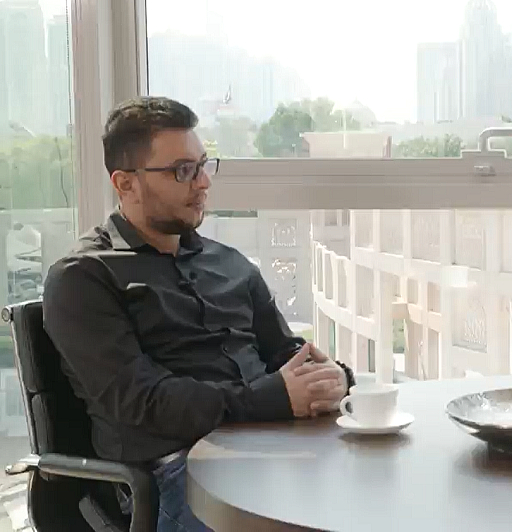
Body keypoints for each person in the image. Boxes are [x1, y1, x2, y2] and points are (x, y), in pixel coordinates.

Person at [43, 97, 353, 532]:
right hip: (174, 474)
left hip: (276, 446)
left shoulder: (231, 264)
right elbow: (142, 400)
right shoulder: (85, 277)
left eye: (204, 165)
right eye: (182, 171)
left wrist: (336, 377)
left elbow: (286, 353)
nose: (203, 182)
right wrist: (271, 398)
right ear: (125, 184)